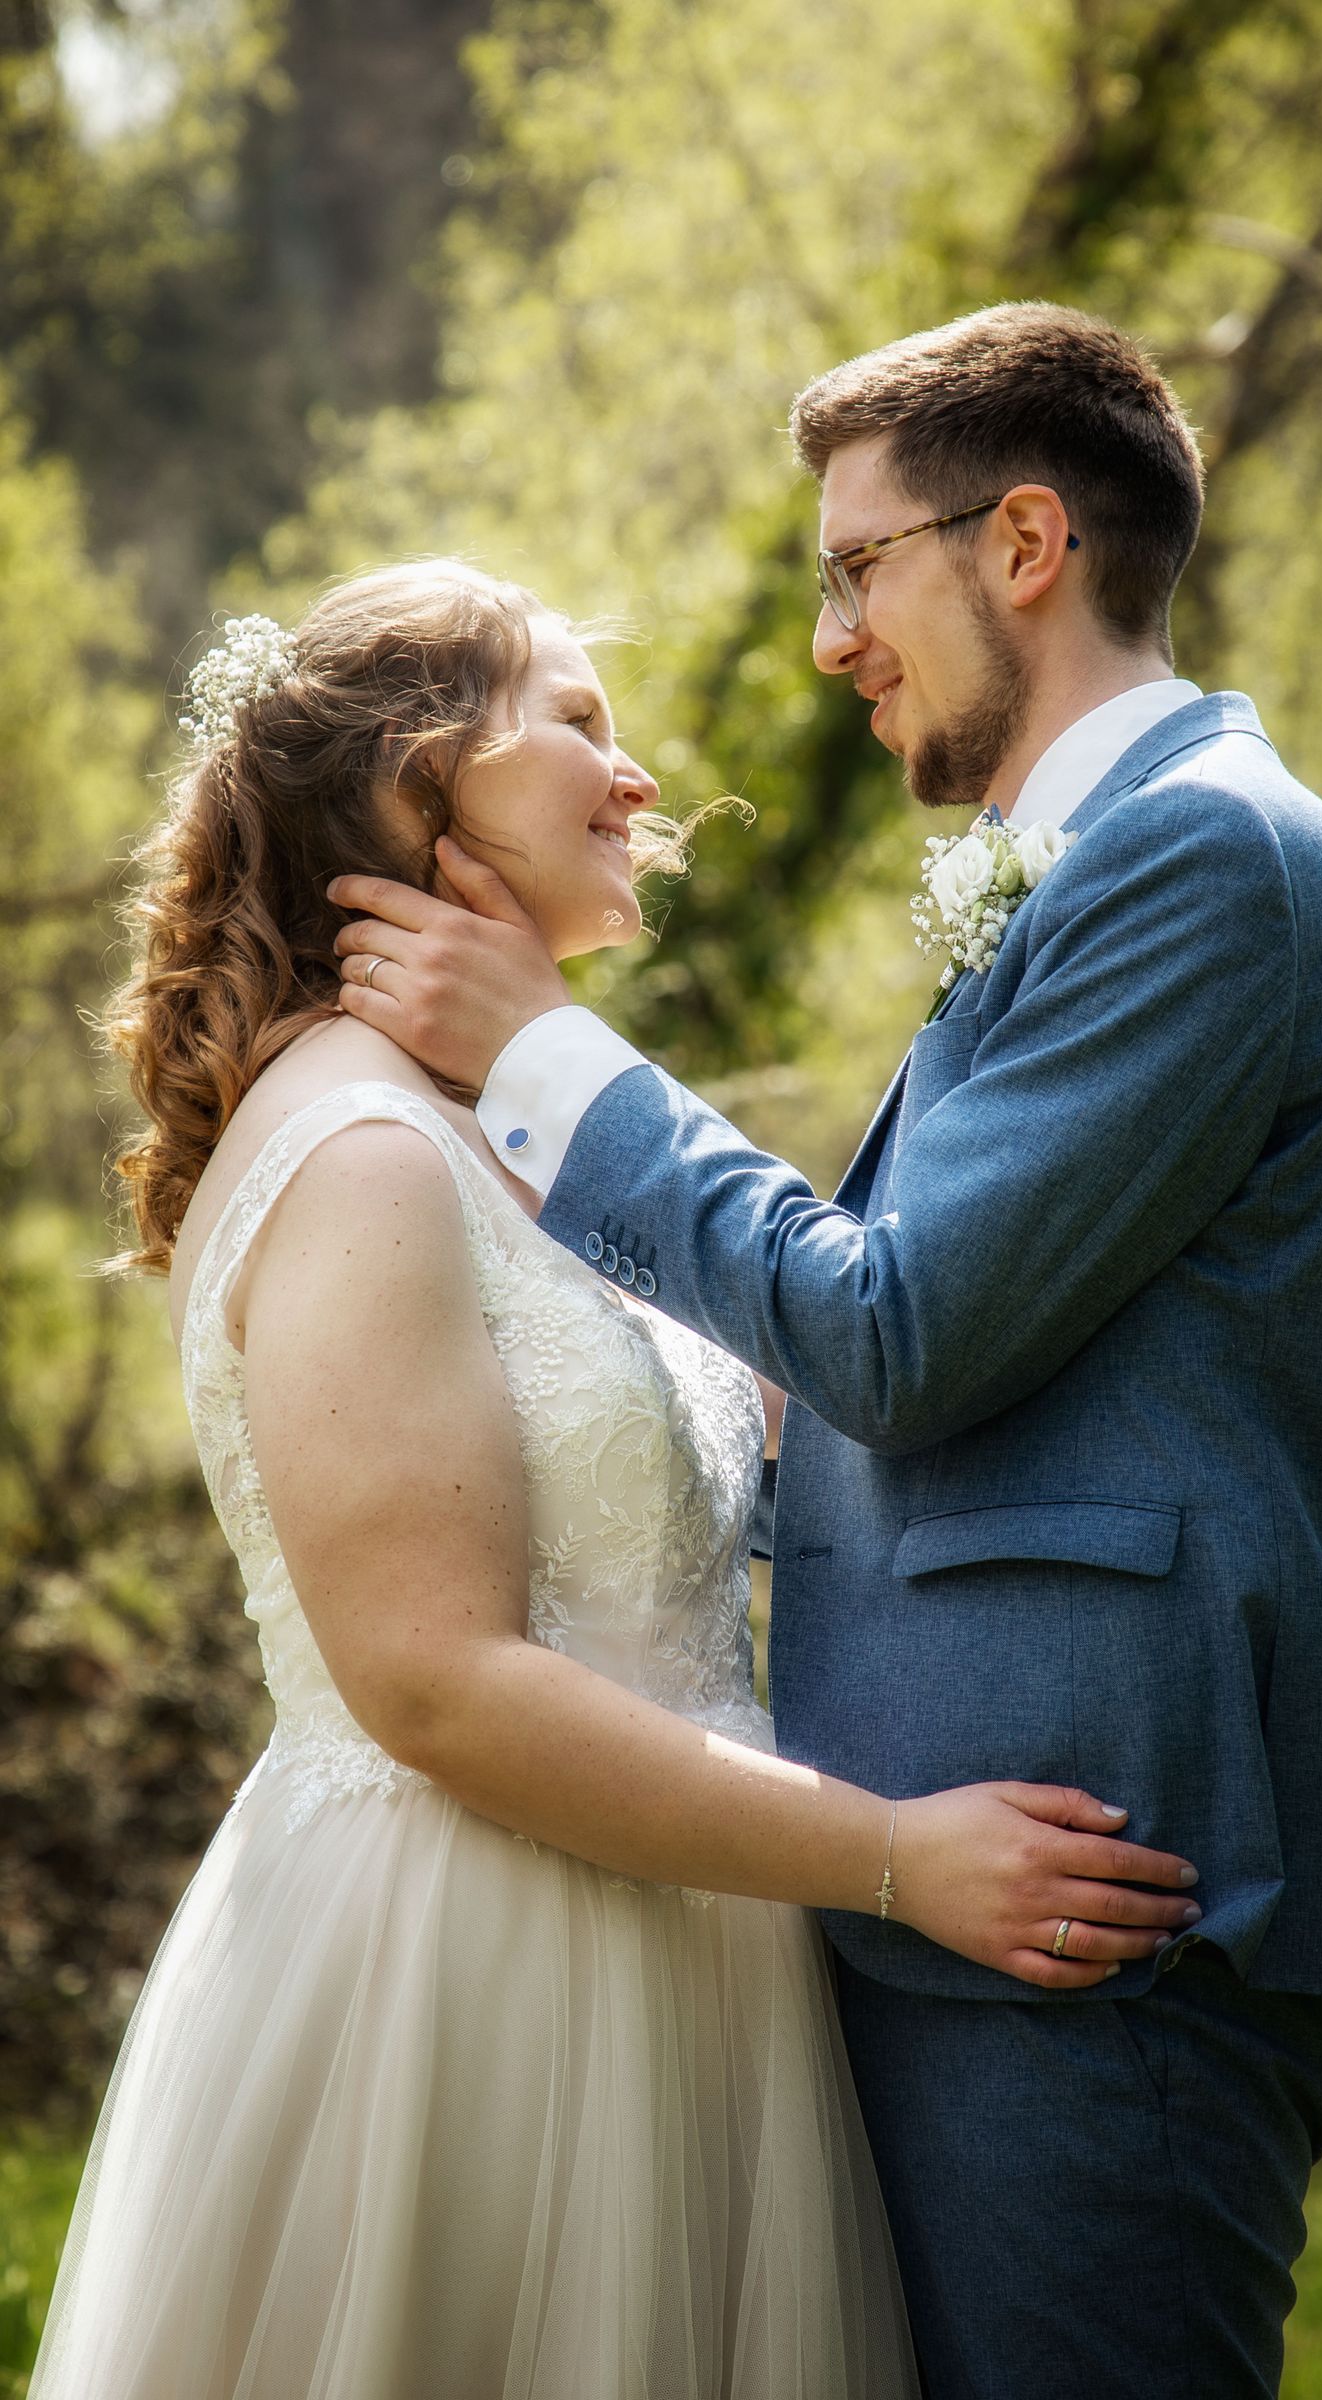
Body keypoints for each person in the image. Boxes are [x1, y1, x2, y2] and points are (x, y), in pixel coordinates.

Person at [332, 307, 1322, 2398]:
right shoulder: (1107, 865)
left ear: (1020, 540)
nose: (830, 639)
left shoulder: (1204, 858)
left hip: (1099, 1885)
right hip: (982, 1884)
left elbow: (906, 1328)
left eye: (859, 567)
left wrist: (551, 1065)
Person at [30, 559, 1201, 2400]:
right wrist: (899, 1859)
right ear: (426, 792)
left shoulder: (511, 1132)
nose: (641, 775)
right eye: (579, 721)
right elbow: (431, 1680)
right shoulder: (359, 1152)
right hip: (474, 1982)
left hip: (686, 1957)